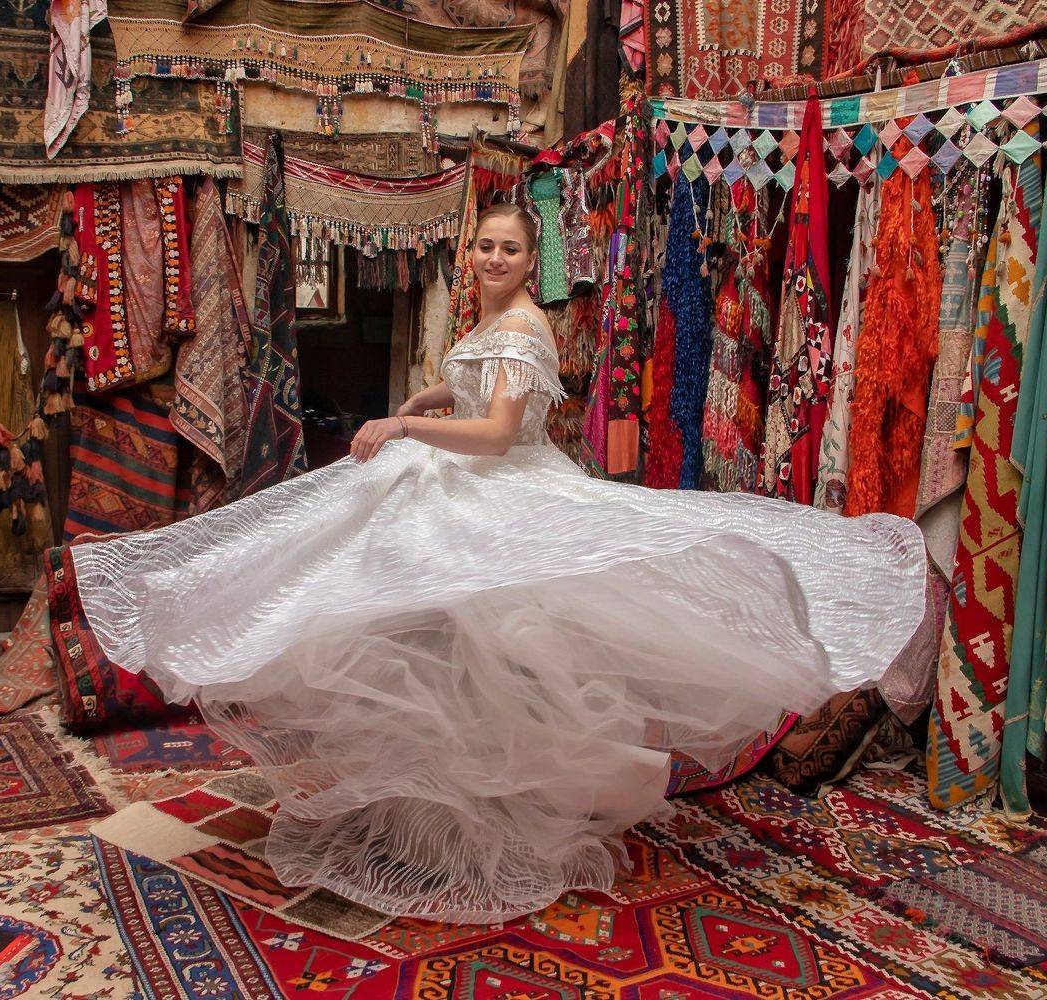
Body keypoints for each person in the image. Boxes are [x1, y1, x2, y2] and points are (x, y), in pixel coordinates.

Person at [70, 203, 927, 923]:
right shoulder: (493, 322)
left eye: (509, 249)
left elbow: (497, 432)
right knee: (423, 634)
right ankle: (429, 803)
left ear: (529, 260)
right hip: (466, 489)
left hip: (501, 494)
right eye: (483, 245)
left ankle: (480, 819)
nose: (492, 258)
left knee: (473, 652)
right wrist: (431, 392)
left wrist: (404, 425)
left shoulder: (522, 326)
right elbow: (478, 386)